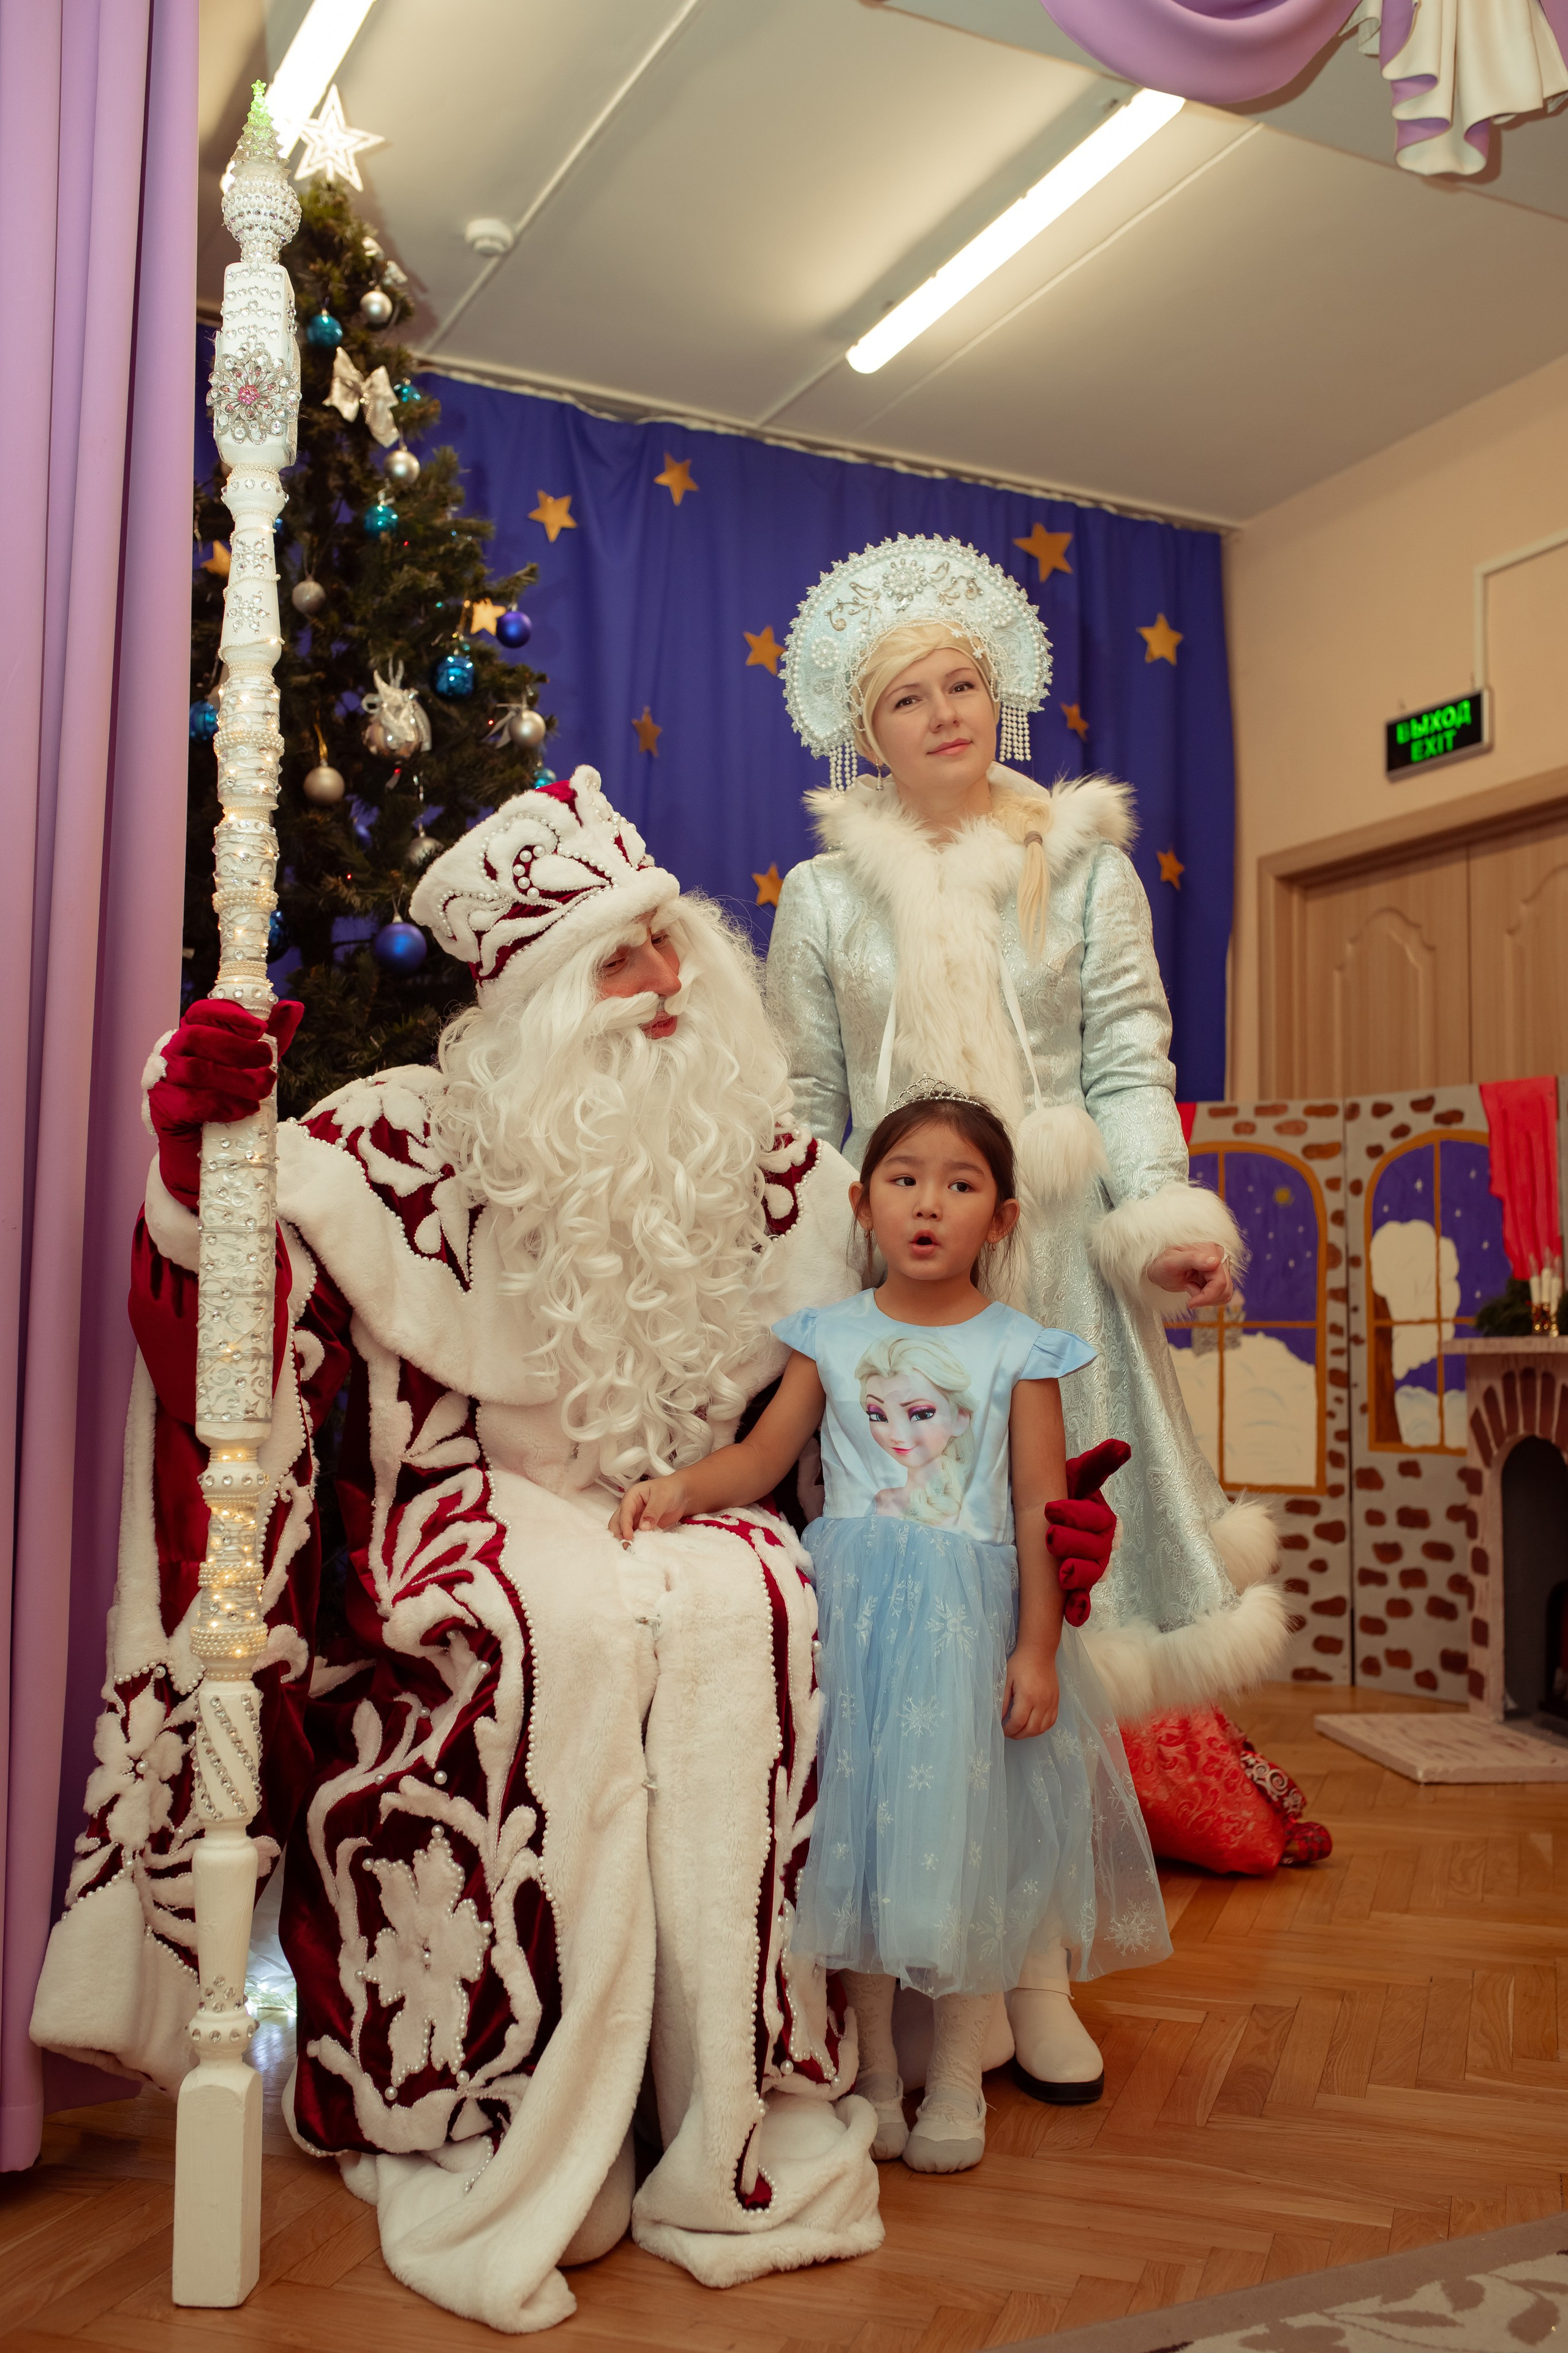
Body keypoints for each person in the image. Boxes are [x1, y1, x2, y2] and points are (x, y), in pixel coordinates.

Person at [32, 769, 1120, 2333]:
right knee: (571, 1632)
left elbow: (917, 1353)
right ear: (535, 997)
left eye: (673, 942)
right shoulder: (399, 1141)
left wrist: (1026, 1529)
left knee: (755, 1604)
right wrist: (209, 1165)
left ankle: (728, 2102)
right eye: (621, 960)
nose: (668, 984)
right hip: (472, 1495)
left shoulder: (785, 1172)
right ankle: (523, 2098)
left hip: (699, 1490)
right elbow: (232, 1350)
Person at [616, 1092, 1168, 2175]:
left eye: (960, 1185)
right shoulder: (831, 1334)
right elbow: (768, 1458)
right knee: (855, 1858)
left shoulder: (1024, 1351)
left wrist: (1038, 1649)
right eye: (905, 1180)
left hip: (970, 1625)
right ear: (864, 1204)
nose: (929, 1204)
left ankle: (959, 2076)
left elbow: (1037, 1511)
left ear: (1002, 1219)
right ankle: (873, 2072)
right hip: (853, 1613)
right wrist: (683, 1486)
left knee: (963, 1858)